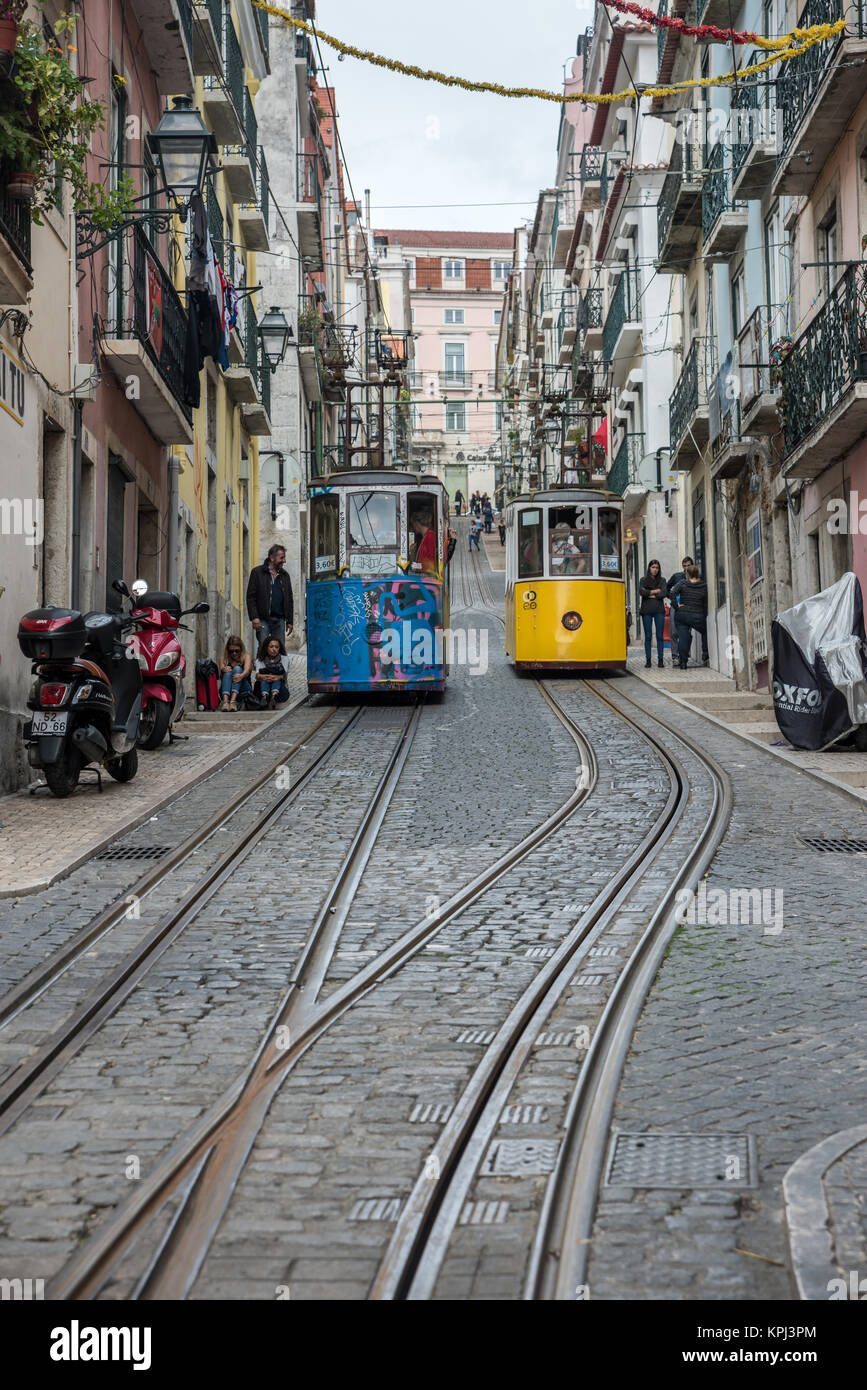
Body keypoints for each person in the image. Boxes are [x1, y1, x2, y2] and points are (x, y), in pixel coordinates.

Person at [247, 544, 294, 652]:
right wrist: (254, 617)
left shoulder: (285, 575)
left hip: (280, 620)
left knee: (279, 648)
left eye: (284, 557)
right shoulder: (257, 573)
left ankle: (279, 669)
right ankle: (261, 669)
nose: (284, 561)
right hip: (263, 619)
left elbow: (289, 599)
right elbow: (250, 597)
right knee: (263, 647)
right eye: (281, 558)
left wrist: (290, 621)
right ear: (272, 558)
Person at [671, 562, 709, 668]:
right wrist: (704, 615)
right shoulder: (703, 585)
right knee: (705, 631)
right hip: (697, 615)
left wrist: (676, 606)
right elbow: (705, 603)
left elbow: (672, 593)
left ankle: (683, 662)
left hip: (682, 614)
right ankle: (705, 654)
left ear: (687, 574)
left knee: (683, 637)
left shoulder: (683, 583)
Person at [639, 559, 668, 669]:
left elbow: (664, 593)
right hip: (646, 611)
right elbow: (642, 592)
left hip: (659, 611)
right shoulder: (643, 580)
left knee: (660, 636)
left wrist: (649, 594)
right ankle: (648, 660)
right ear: (649, 568)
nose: (655, 570)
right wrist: (656, 591)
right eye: (653, 567)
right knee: (648, 636)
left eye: (657, 567)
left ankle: (660, 660)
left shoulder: (662, 580)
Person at [254, 635, 290, 710]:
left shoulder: (284, 659)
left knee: (278, 682)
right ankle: (265, 697)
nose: (274, 649)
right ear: (266, 648)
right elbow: (257, 675)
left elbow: (284, 675)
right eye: (271, 647)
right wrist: (265, 677)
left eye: (276, 647)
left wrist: (276, 677)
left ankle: (274, 697)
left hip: (278, 687)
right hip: (264, 685)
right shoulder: (259, 660)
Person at [219, 636, 253, 712]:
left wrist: (241, 676)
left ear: (241, 649)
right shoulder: (223, 659)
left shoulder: (246, 657)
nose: (234, 653)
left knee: (237, 669)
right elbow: (221, 669)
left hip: (244, 691)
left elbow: (246, 671)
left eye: (237, 651)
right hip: (227, 691)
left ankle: (233, 702)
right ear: (228, 650)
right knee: (227, 672)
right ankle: (225, 702)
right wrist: (223, 669)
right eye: (231, 651)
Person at [667, 556, 693, 647]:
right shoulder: (676, 576)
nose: (686, 568)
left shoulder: (695, 577)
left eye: (688, 566)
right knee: (674, 632)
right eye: (684, 566)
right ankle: (675, 656)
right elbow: (667, 588)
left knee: (687, 632)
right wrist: (672, 599)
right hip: (676, 606)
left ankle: (685, 652)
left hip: (689, 608)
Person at [409, 507, 438, 574]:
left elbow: (431, 560)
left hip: (427, 576)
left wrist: (415, 566)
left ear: (417, 523)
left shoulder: (430, 536)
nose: (413, 527)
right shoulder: (426, 536)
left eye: (413, 524)